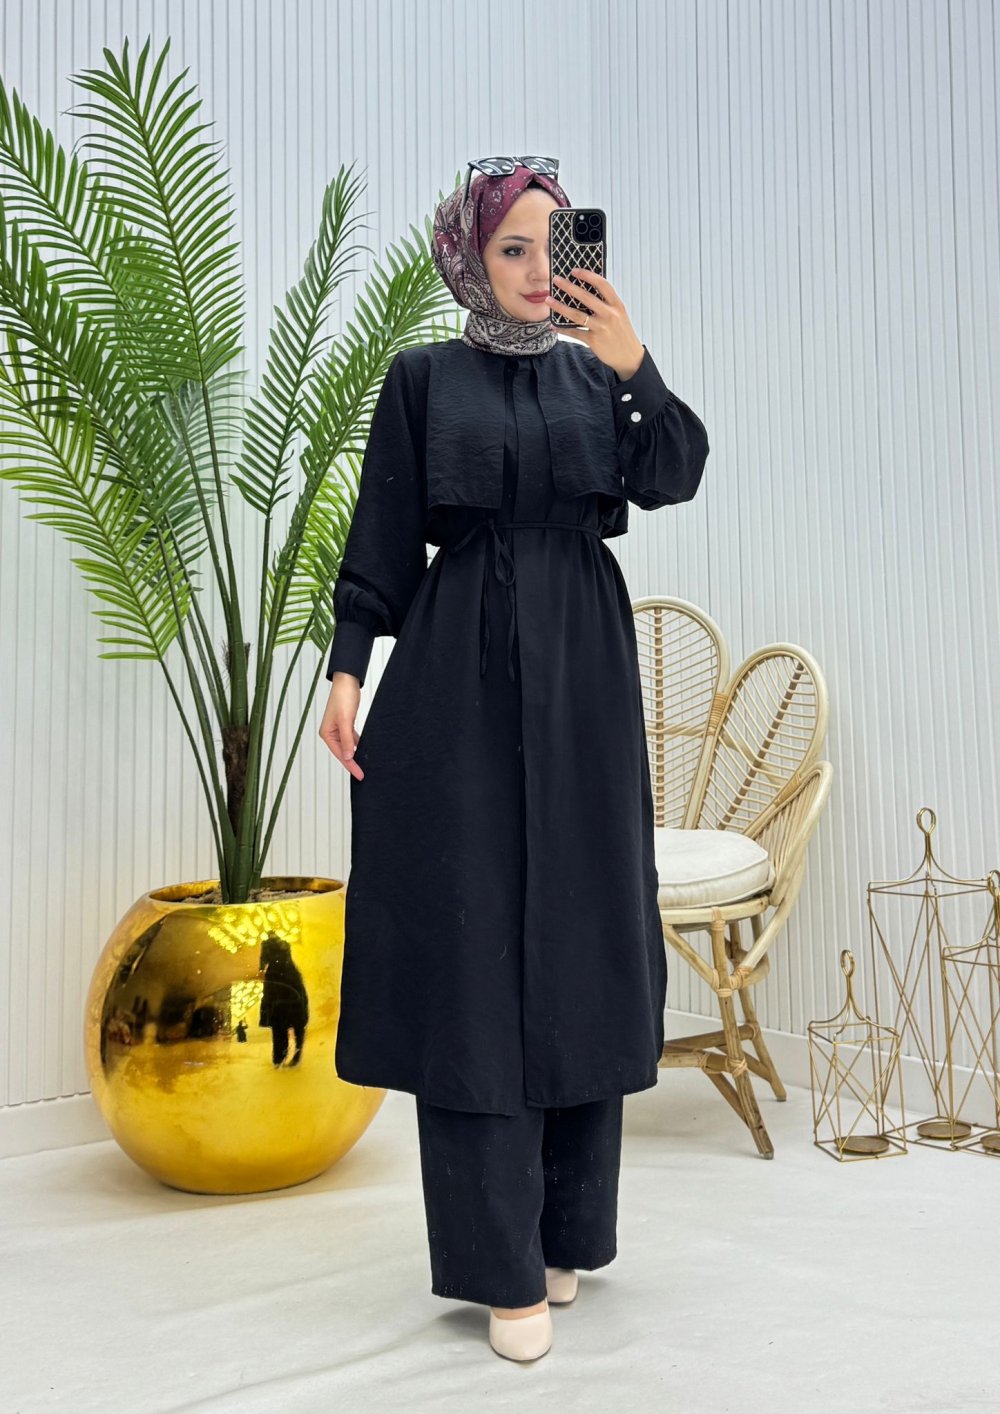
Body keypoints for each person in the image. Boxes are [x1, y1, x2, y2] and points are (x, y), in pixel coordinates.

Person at [318, 158, 710, 1362]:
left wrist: (635, 363)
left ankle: (565, 1232)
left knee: (583, 937)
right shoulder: (422, 378)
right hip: (459, 678)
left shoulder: (600, 373)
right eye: (513, 249)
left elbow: (674, 472)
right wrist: (346, 670)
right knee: (473, 952)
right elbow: (382, 533)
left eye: (556, 244)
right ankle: (500, 1268)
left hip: (584, 674)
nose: (542, 270)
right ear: (468, 258)